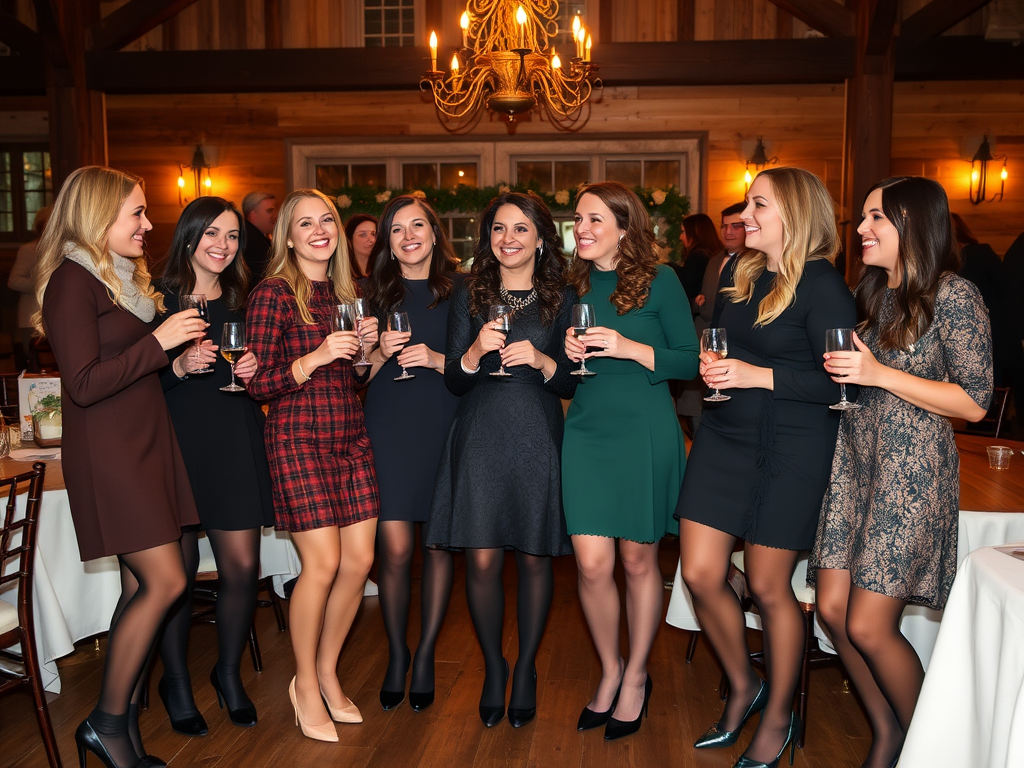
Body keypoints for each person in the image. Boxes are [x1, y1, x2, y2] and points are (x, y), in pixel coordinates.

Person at [674, 167, 856, 767]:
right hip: (725, 435)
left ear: (795, 215)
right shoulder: (737, 273)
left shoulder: (825, 285)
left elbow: (841, 381)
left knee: (768, 586)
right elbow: (724, 344)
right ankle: (744, 684)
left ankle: (778, 712)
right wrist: (712, 363)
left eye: (758, 206)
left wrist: (759, 375)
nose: (744, 217)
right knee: (700, 572)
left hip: (792, 448)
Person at [811, 177, 993, 768]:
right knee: (834, 612)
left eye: (874, 219)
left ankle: (931, 750)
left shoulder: (954, 295)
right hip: (857, 465)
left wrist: (878, 373)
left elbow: (974, 402)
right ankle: (888, 733)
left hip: (912, 474)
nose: (860, 229)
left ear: (912, 222)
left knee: (868, 625)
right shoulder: (874, 296)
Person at [36, 166, 207, 768]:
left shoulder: (117, 282)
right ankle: (107, 723)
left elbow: (129, 365)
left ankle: (124, 733)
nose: (148, 223)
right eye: (136, 212)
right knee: (166, 581)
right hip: (109, 452)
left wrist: (173, 358)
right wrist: (159, 344)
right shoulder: (70, 282)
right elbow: (81, 385)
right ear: (98, 214)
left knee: (142, 584)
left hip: (143, 441)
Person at [426, 191, 576, 729]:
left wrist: (541, 359)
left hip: (537, 433)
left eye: (519, 229)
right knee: (483, 560)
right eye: (497, 230)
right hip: (481, 435)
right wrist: (471, 354)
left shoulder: (562, 296)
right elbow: (454, 380)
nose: (507, 239)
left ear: (541, 238)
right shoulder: (469, 292)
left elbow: (572, 381)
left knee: (535, 557)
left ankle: (529, 667)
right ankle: (495, 667)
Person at [562, 181, 699, 741]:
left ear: (625, 226)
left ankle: (637, 676)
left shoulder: (662, 281)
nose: (584, 229)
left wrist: (631, 348)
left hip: (644, 428)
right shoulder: (572, 283)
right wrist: (566, 353)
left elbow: (691, 360)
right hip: (587, 429)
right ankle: (610, 669)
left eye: (596, 219)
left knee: (639, 563)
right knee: (592, 564)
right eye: (579, 220)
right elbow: (558, 364)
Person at [246, 188, 380, 743]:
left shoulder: (351, 292)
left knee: (360, 561)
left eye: (327, 220)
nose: (319, 230)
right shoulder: (273, 294)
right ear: (289, 236)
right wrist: (316, 356)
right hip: (297, 439)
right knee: (322, 565)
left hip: (350, 436)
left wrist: (368, 354)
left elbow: (356, 378)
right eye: (306, 223)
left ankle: (326, 671)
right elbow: (257, 383)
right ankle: (304, 683)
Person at [153, 197, 274, 736]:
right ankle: (175, 680)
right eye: (213, 235)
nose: (224, 246)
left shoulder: (244, 297)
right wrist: (177, 366)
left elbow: (263, 368)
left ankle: (227, 673)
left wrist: (252, 367)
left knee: (242, 568)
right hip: (175, 441)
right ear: (189, 236)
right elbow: (132, 379)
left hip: (233, 436)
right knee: (174, 579)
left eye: (232, 237)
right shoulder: (155, 297)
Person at [361, 196, 460, 712]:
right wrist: (377, 350)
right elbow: (360, 370)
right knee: (396, 548)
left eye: (417, 225)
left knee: (439, 546)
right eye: (396, 229)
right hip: (389, 422)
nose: (408, 236)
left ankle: (424, 657)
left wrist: (438, 358)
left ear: (434, 232)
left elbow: (474, 364)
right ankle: (397, 654)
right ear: (388, 240)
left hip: (444, 419)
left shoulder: (460, 289)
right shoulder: (372, 292)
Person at [9, 205, 52, 371]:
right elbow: (13, 281)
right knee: (36, 363)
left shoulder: (64, 249)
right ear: (42, 226)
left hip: (56, 315)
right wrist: (43, 283)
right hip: (32, 318)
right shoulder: (28, 250)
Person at [696, 202, 746, 333]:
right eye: (724, 226)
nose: (728, 232)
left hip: (735, 336)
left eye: (736, 227)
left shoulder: (755, 264)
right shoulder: (714, 260)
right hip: (704, 334)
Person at [241, 191, 277, 283]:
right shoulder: (251, 241)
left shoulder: (254, 236)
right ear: (253, 215)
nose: (275, 215)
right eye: (269, 211)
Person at [345, 213, 378, 279]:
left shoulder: (385, 270)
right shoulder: (340, 273)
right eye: (363, 235)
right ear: (349, 239)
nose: (372, 240)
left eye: (373, 234)